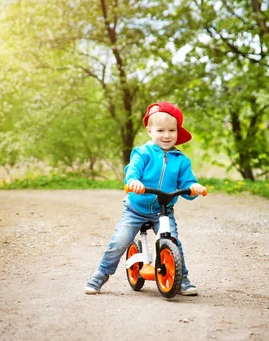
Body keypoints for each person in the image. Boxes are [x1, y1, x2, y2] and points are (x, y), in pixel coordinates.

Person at [84, 101, 207, 296]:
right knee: (120, 240)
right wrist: (133, 181)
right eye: (160, 130)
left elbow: (186, 182)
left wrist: (193, 187)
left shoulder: (181, 160)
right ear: (150, 131)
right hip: (136, 209)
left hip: (163, 211)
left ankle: (181, 278)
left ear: (177, 131)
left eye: (171, 130)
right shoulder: (142, 153)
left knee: (172, 240)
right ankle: (101, 274)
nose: (166, 135)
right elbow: (132, 171)